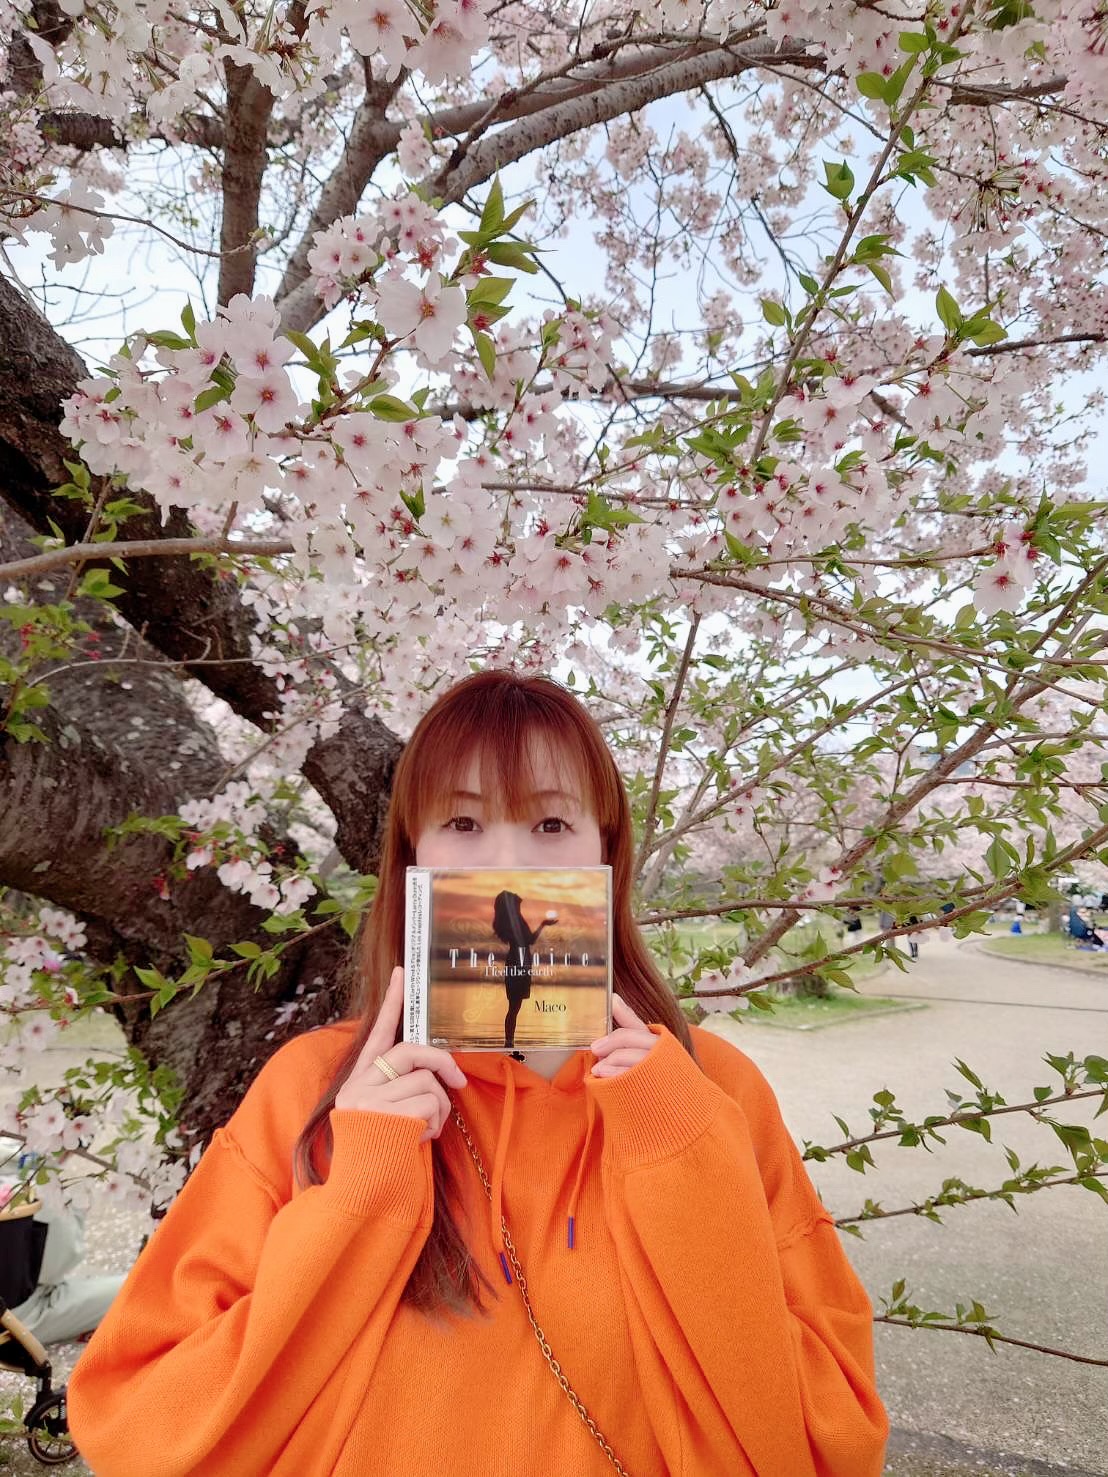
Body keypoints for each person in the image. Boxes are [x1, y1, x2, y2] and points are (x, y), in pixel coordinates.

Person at [67, 671, 889, 1477]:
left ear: (607, 851)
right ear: (411, 857)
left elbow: (830, 1444)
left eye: (551, 822)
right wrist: (359, 1193)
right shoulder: (313, 1089)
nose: (505, 859)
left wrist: (678, 1155)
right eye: (462, 822)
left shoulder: (710, 1092)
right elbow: (139, 1429)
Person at [0, 1146, 125, 1345]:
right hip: (17, 1317)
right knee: (134, 1287)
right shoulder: (34, 1184)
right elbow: (54, 1269)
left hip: (15, 1302)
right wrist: (75, 1211)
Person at [490, 889, 557, 1049]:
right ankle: (509, 1042)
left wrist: (543, 925)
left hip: (521, 960)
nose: (519, 904)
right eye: (516, 903)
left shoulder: (515, 920)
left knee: (514, 1007)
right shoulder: (512, 922)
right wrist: (542, 925)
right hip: (518, 960)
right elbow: (527, 940)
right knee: (514, 1007)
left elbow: (530, 940)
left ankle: (509, 1041)